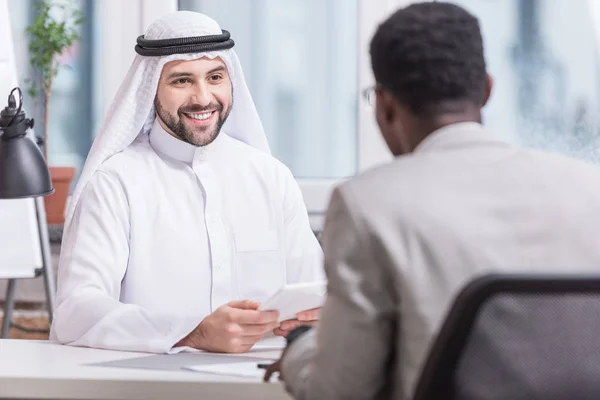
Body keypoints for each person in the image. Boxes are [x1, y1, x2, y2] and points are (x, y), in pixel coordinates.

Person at [268, 2, 600, 399]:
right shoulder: (588, 187)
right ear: (488, 90)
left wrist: (300, 344)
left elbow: (339, 391)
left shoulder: (368, 204)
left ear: (385, 105)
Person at [50, 11, 323, 354]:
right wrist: (191, 334)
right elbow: (76, 311)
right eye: (182, 80)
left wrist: (317, 317)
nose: (203, 97)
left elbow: (313, 289)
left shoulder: (272, 178)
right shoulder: (115, 184)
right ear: (151, 89)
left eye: (215, 77)